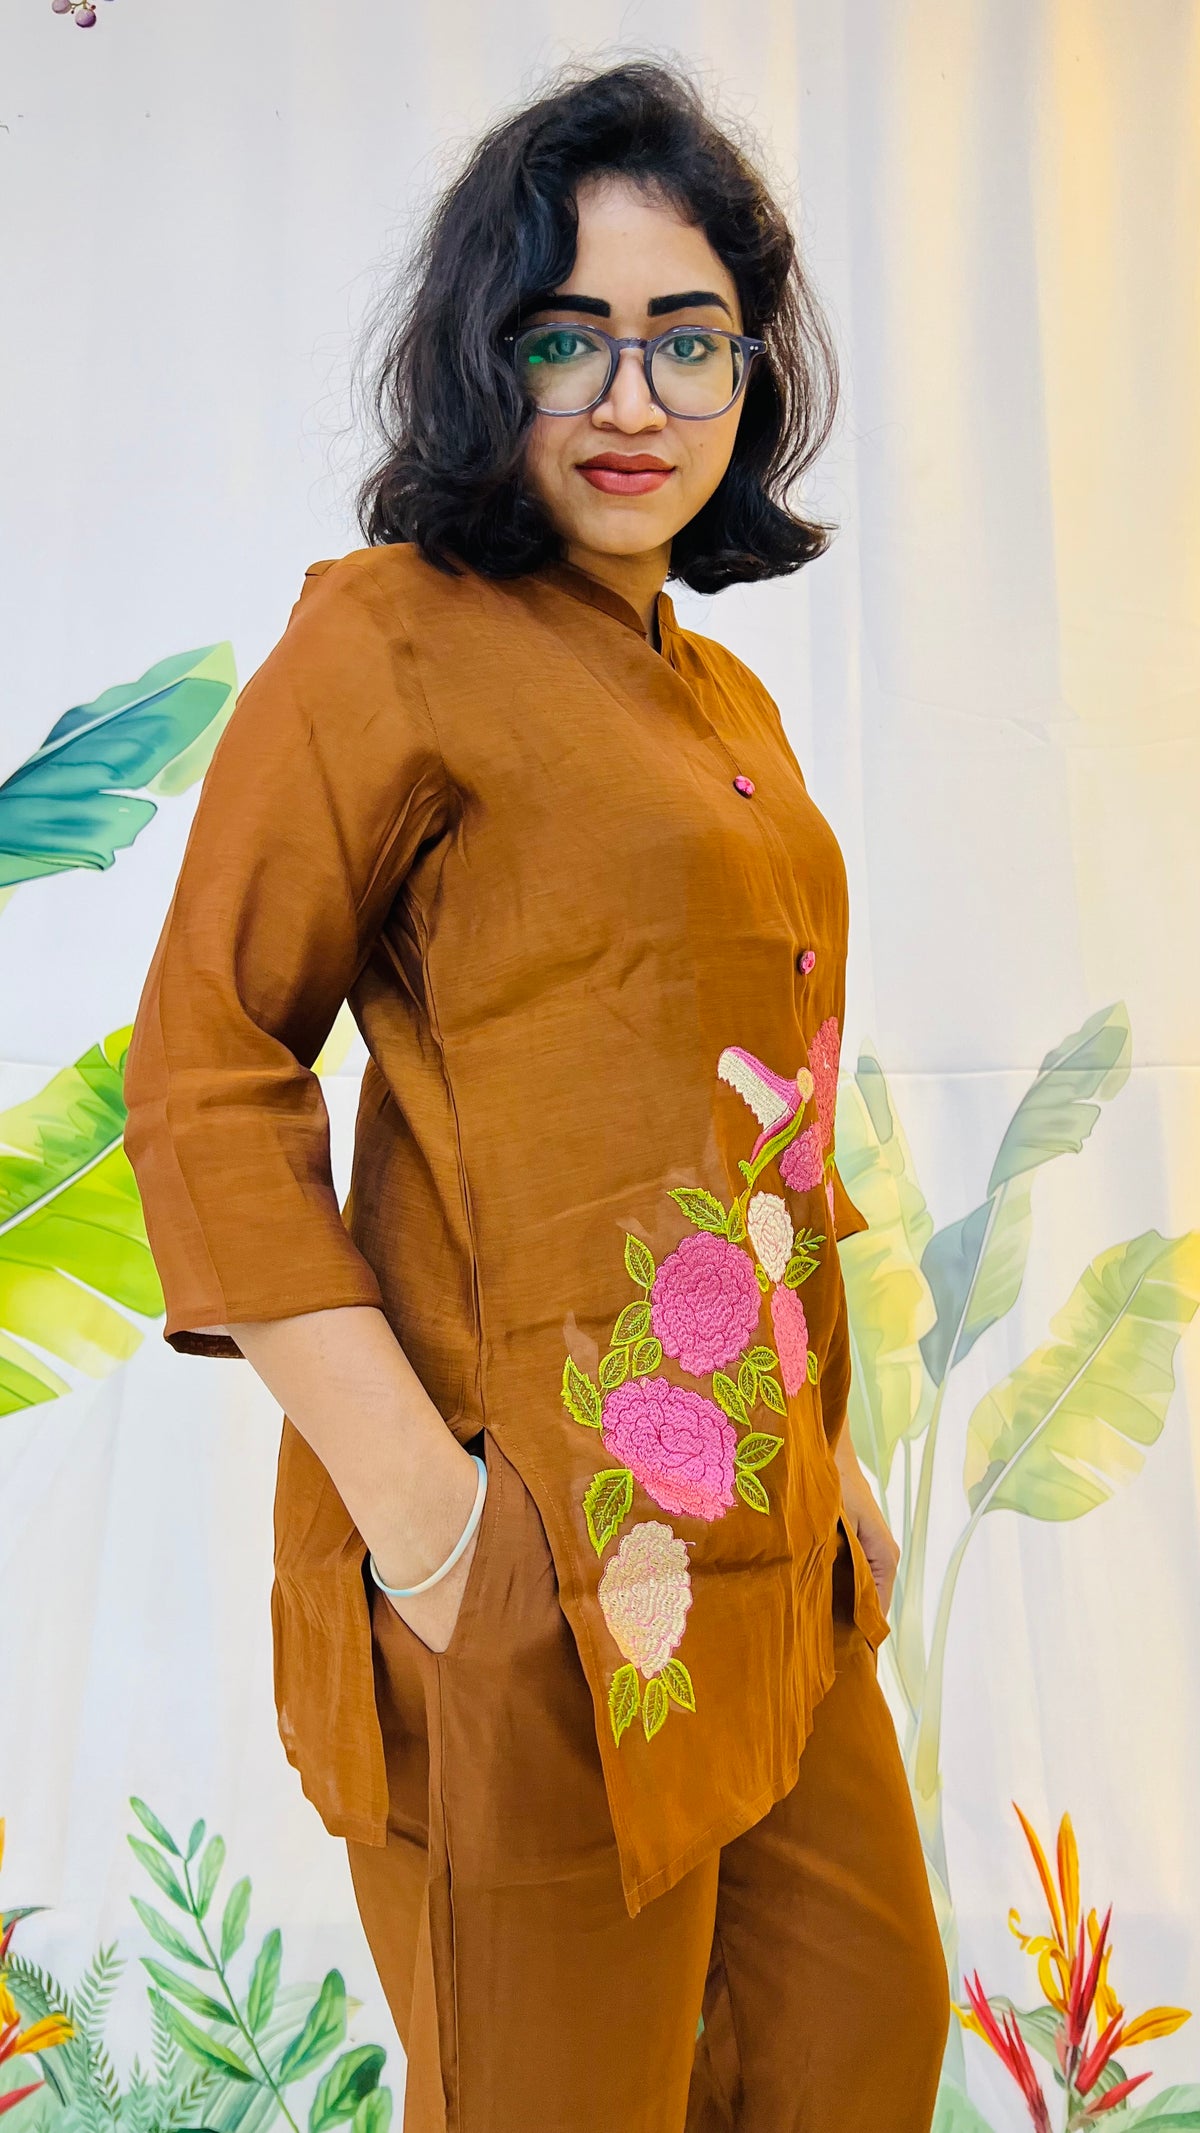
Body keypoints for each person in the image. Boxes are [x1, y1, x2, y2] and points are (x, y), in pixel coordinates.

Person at [122, 56, 950, 2133]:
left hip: (765, 1550)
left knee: (858, 2036)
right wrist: (432, 1529)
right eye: (567, 336)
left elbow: (738, 1093)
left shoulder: (718, 693)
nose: (631, 395)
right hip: (528, 1569)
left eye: (688, 338)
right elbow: (207, 1068)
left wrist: (827, 1454)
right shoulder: (383, 642)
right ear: (485, 357)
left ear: (752, 369)